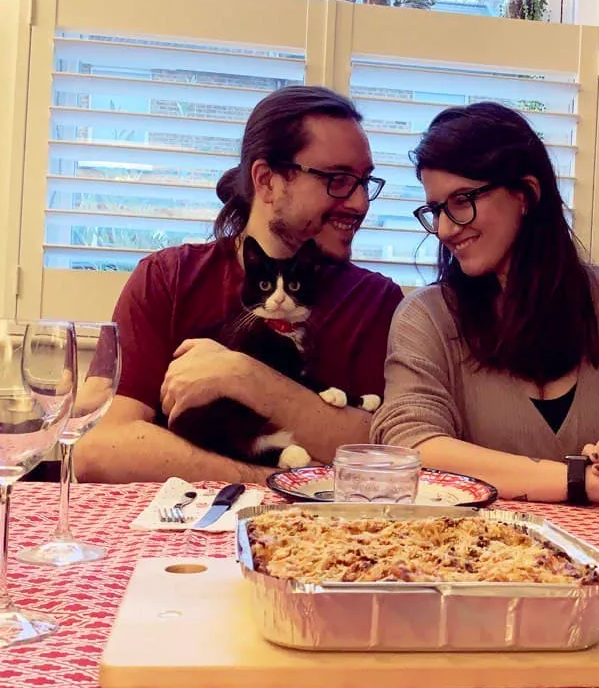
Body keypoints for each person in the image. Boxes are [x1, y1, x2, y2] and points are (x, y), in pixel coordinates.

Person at [370, 102, 599, 507]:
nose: (444, 229)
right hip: (474, 559)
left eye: (462, 201)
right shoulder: (426, 316)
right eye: (436, 209)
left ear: (526, 194)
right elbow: (416, 450)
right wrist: (584, 481)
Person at [77, 86, 406, 483]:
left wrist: (246, 378)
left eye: (364, 182)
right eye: (336, 180)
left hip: (328, 540)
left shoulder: (375, 301)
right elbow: (98, 449)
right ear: (266, 181)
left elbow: (387, 455)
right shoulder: (168, 278)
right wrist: (261, 476)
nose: (360, 204)